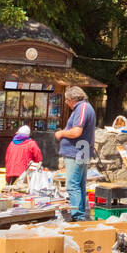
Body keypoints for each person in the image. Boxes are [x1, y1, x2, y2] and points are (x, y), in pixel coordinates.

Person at [55, 85, 97, 221]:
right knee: (79, 184)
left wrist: (61, 133)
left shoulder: (82, 108)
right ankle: (81, 214)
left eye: (67, 101)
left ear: (72, 99)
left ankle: (78, 216)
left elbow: (76, 131)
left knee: (73, 184)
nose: (67, 104)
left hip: (77, 150)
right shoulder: (85, 107)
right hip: (82, 149)